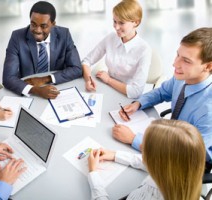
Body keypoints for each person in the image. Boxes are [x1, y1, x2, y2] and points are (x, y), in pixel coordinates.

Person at [112, 27, 212, 162]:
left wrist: (133, 139)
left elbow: (186, 154)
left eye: (186, 61)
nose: (174, 64)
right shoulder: (182, 77)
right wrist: (138, 103)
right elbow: (162, 92)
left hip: (186, 160)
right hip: (171, 136)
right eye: (178, 55)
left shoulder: (208, 111)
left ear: (208, 67)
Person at [88, 119, 205, 200]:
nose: (140, 146)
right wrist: (114, 155)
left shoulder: (147, 196)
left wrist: (93, 174)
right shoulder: (184, 173)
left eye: (146, 145)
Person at [2, 1, 82, 99]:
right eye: (33, 24)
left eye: (43, 26)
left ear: (53, 24)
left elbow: (77, 69)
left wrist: (45, 79)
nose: (37, 30)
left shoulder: (64, 35)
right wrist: (36, 90)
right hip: (28, 91)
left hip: (58, 88)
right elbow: (8, 78)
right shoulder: (17, 37)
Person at [82, 0, 151, 99]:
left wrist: (108, 80)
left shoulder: (144, 50)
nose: (116, 27)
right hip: (108, 90)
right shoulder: (111, 38)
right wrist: (88, 80)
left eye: (121, 23)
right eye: (115, 21)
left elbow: (136, 92)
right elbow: (86, 61)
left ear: (136, 22)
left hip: (126, 96)